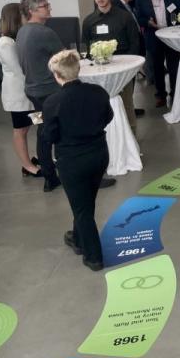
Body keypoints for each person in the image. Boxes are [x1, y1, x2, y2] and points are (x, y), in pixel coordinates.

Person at [42, 50, 112, 270]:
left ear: (57, 75)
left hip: (72, 160)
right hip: (99, 154)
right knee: (85, 202)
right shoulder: (98, 92)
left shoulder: (53, 102)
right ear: (78, 69)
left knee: (82, 209)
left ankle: (93, 256)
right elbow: (107, 117)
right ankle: (78, 238)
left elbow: (50, 136)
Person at [17, 0, 64, 190]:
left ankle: (49, 177)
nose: (49, 8)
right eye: (44, 6)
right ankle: (63, 172)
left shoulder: (22, 32)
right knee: (62, 131)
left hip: (33, 92)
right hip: (49, 92)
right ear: (32, 11)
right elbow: (64, 58)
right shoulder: (44, 33)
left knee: (43, 131)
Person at [81, 0, 142, 133]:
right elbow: (86, 47)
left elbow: (135, 43)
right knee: (101, 105)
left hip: (123, 68)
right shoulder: (89, 21)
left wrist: (128, 66)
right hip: (100, 70)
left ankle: (132, 140)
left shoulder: (124, 17)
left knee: (126, 104)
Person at [0, 3, 40, 177]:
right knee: (20, 130)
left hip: (28, 93)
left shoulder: (15, 39)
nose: (27, 17)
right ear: (16, 18)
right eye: (24, 15)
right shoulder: (5, 43)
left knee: (34, 124)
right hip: (18, 95)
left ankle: (34, 159)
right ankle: (27, 166)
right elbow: (20, 70)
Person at [135, 0, 180, 107]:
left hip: (171, 34)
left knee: (173, 65)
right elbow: (138, 18)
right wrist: (147, 22)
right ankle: (160, 95)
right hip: (154, 35)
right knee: (157, 66)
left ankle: (176, 93)